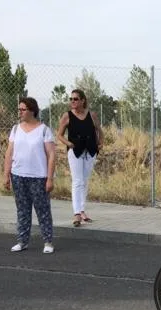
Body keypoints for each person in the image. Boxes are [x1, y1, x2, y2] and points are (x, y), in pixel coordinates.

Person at [3, 97, 56, 254]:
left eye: (23, 109)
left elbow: (51, 155)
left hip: (38, 177)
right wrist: (6, 175)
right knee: (22, 210)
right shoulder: (15, 129)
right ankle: (22, 241)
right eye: (19, 109)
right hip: (18, 175)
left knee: (43, 210)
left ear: (32, 111)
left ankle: (48, 241)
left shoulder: (44, 130)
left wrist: (50, 178)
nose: (20, 112)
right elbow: (9, 153)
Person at [56, 88, 102, 227]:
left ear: (83, 100)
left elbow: (99, 130)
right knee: (77, 181)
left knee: (85, 181)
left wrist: (100, 143)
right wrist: (68, 143)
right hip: (75, 151)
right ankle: (76, 213)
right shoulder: (67, 116)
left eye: (75, 99)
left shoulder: (92, 115)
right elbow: (59, 135)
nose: (72, 101)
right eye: (71, 99)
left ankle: (82, 210)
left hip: (90, 151)